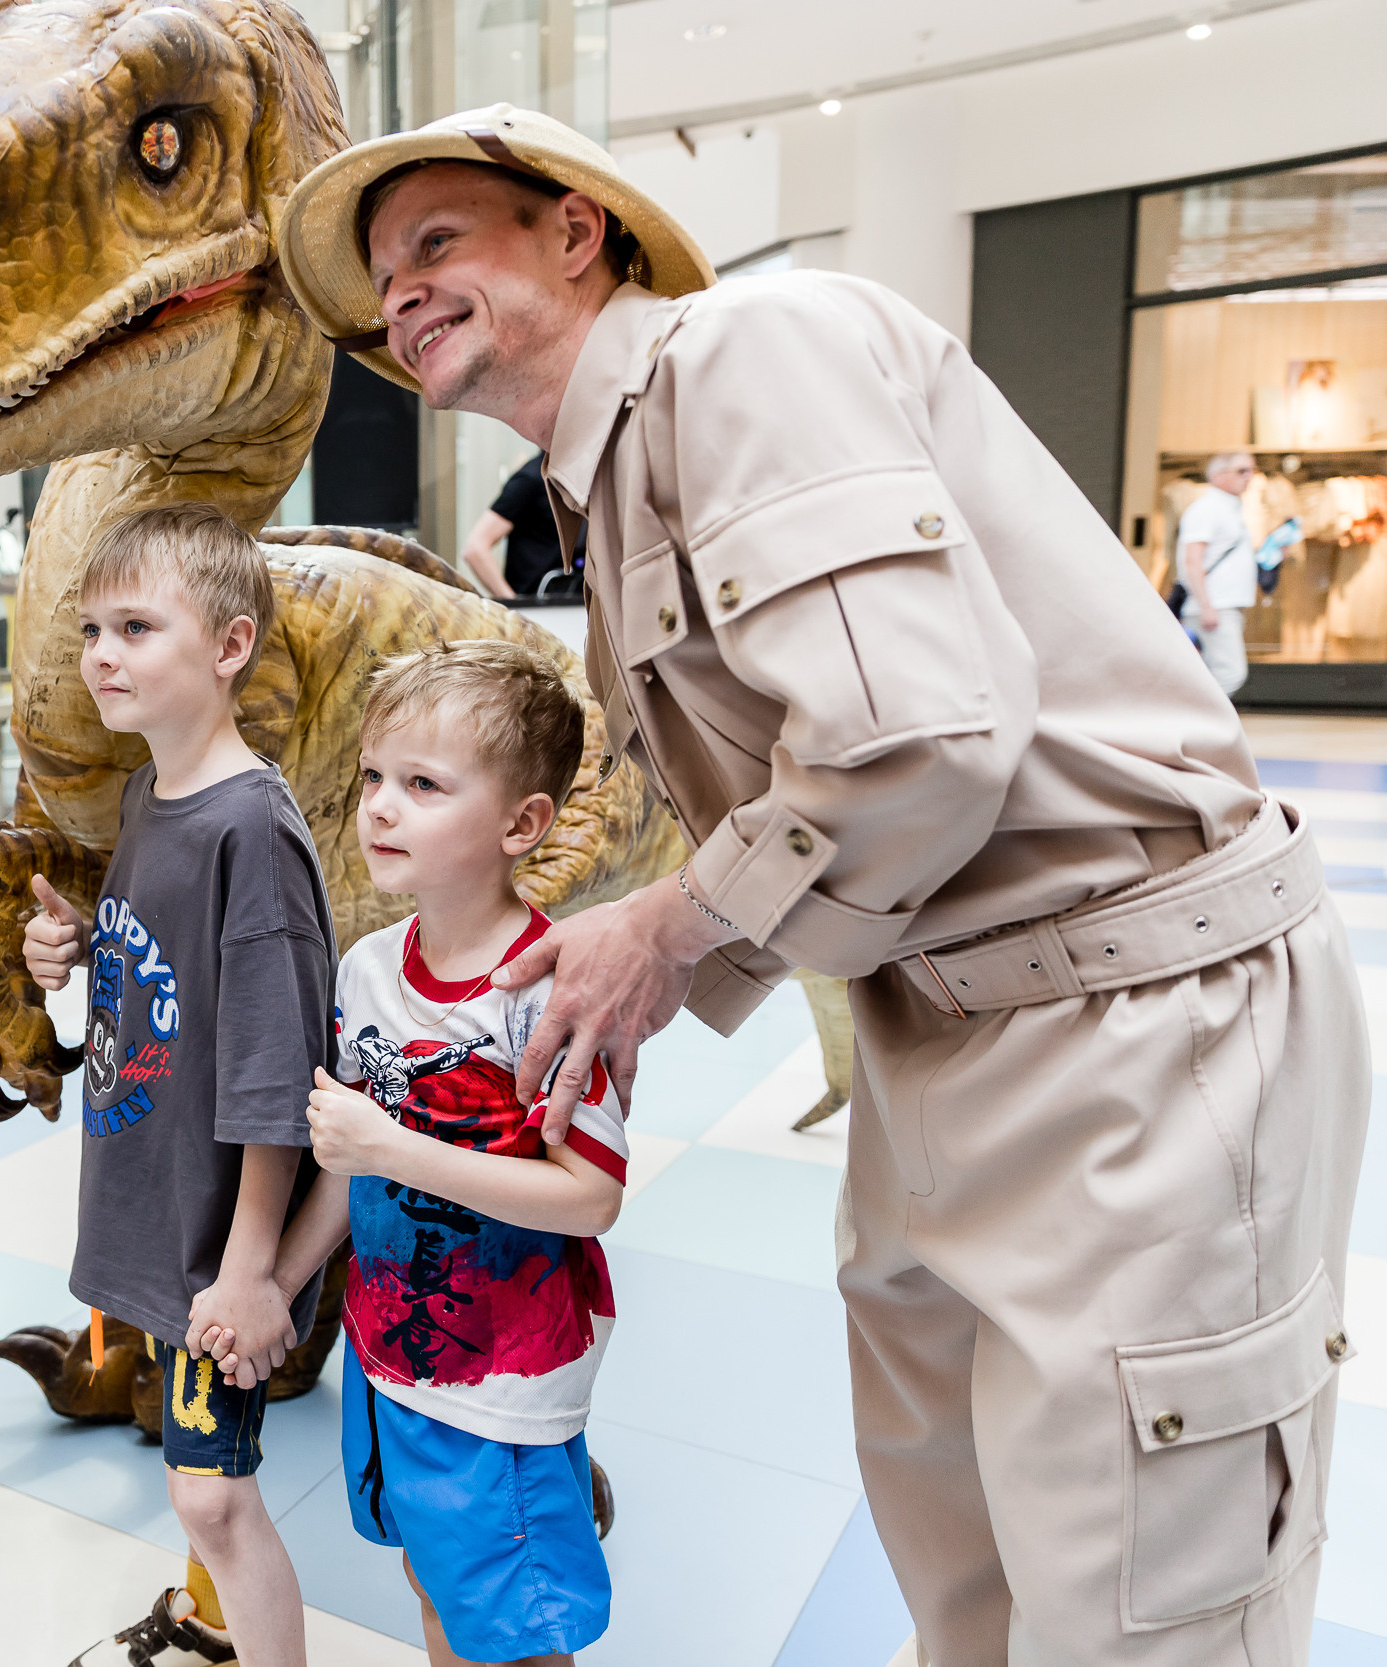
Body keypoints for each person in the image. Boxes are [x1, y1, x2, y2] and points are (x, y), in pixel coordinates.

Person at [277, 107, 1367, 1666]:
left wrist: (668, 932)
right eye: (387, 278)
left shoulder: (740, 356)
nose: (404, 295)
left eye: (437, 242)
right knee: (965, 1557)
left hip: (1133, 1021)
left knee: (1145, 1598)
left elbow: (915, 738)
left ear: (578, 230)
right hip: (936, 1027)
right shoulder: (608, 482)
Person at [252, 639, 625, 1667]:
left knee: (510, 1629)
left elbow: (590, 1195)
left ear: (521, 823)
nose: (378, 805)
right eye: (375, 776)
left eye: (422, 784)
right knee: (434, 1585)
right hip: (393, 1348)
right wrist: (284, 1284)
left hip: (502, 1381)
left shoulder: (551, 989)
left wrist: (393, 1145)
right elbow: (352, 1155)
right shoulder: (371, 966)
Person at [22, 503, 335, 1667]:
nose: (102, 652)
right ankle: (211, 1625)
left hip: (217, 1240)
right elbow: (164, 986)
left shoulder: (249, 828)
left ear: (229, 645)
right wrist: (71, 952)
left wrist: (252, 1268)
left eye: (137, 625)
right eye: (93, 627)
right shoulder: (154, 799)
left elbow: (271, 1071)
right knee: (188, 1478)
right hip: (154, 1209)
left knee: (214, 1496)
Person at [1178, 450, 1259, 695]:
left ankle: (1200, 726)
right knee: (1230, 673)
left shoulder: (1230, 509)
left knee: (1212, 672)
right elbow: (1192, 561)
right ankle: (1199, 724)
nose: (1249, 477)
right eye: (1241, 471)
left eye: (1252, 470)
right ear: (1218, 475)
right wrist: (1206, 605)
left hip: (1223, 604)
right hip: (1214, 605)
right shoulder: (1207, 509)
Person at [458, 454, 581, 603]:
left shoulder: (579, 480)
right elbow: (475, 548)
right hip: (538, 607)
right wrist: (515, 604)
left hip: (576, 606)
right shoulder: (531, 479)